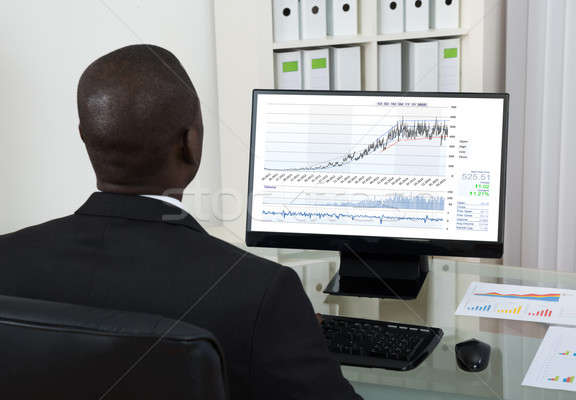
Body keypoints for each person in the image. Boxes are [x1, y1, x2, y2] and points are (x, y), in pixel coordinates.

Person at [0, 45, 360, 400]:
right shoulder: (261, 292)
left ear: (85, 137)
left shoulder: (7, 257)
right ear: (191, 142)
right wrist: (291, 335)